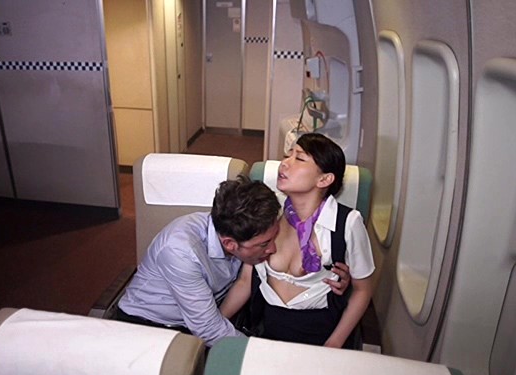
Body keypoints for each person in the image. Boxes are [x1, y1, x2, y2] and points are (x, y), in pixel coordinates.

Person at [221, 133, 374, 348]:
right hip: (265, 327)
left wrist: (333, 344)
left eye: (299, 158)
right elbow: (245, 282)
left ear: (324, 179)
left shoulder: (347, 223)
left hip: (320, 331)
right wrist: (212, 327)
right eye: (288, 155)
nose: (285, 163)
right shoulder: (269, 212)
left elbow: (363, 290)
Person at [115, 176, 285, 346]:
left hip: (205, 315)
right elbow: (208, 330)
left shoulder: (237, 228)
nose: (272, 249)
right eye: (264, 244)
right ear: (230, 244)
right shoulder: (180, 251)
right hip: (152, 325)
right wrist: (259, 352)